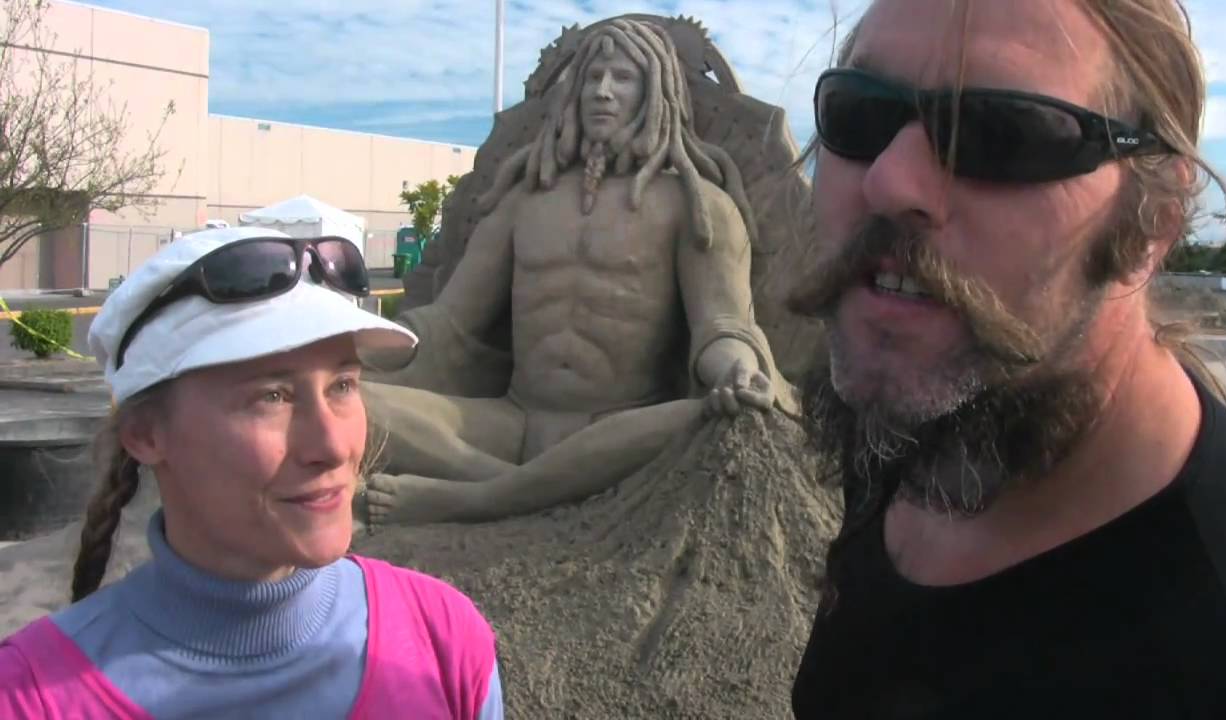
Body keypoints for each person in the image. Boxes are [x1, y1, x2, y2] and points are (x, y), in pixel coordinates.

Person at [785, 0, 1226, 717]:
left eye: (999, 133)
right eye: (860, 114)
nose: (889, 181)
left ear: (1154, 220)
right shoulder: (917, 422)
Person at [0, 227, 505, 719]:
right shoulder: (30, 696)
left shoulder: (443, 639)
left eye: (343, 386)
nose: (331, 447)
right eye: (273, 397)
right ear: (147, 435)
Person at [361, 18, 789, 526]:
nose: (603, 92)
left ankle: (479, 498)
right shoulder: (524, 198)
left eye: (623, 78)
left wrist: (735, 370)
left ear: (658, 93)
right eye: (593, 77)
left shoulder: (697, 204)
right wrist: (363, 345)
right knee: (346, 401)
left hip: (624, 429)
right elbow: (450, 322)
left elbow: (722, 325)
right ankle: (518, 487)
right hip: (514, 422)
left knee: (711, 418)